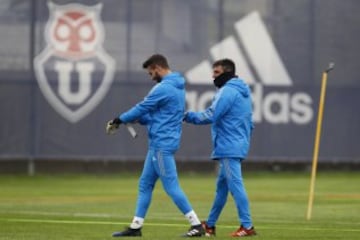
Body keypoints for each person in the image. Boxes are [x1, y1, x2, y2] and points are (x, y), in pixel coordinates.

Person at [106, 54, 204, 237]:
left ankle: (197, 225)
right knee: (145, 185)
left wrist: (119, 119)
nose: (150, 76)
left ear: (158, 67)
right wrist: (136, 119)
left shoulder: (163, 88)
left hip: (161, 145)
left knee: (171, 186)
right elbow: (155, 117)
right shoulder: (177, 86)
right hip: (161, 143)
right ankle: (136, 227)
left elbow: (142, 108)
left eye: (151, 72)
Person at [183, 59, 256, 237]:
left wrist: (186, 116)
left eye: (216, 72)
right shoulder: (241, 91)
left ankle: (247, 226)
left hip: (229, 146)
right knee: (222, 189)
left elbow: (211, 115)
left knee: (235, 186)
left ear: (227, 73)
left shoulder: (228, 91)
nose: (213, 76)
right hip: (235, 144)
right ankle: (210, 225)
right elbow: (250, 124)